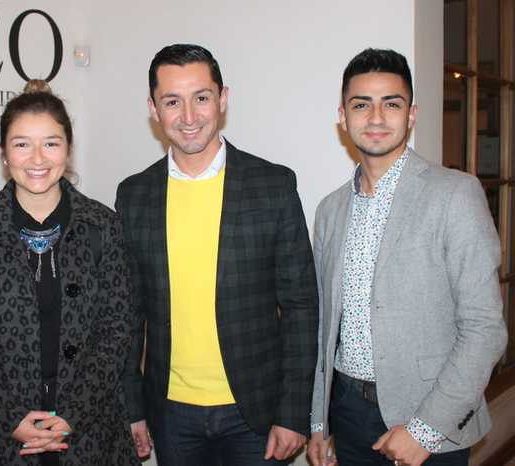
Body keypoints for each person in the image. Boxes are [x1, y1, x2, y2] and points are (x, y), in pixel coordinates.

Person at [116, 44, 318, 466]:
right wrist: (131, 407)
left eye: (201, 98)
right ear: (154, 108)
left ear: (222, 99)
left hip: (256, 415)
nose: (189, 117)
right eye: (173, 101)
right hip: (170, 413)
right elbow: (127, 314)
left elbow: (300, 306)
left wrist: (294, 412)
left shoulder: (273, 186)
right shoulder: (134, 195)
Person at [307, 48, 508, 466]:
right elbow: (325, 327)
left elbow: (485, 328)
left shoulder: (455, 194)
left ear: (411, 115)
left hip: (431, 414)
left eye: (391, 104)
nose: (376, 117)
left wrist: (425, 429)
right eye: (361, 104)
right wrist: (318, 423)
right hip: (346, 412)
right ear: (343, 117)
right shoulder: (330, 210)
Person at [0, 80, 139, 466]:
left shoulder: (103, 224)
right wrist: (8, 417)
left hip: (89, 431)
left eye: (50, 142)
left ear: (68, 149)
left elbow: (117, 329)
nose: (37, 158)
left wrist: (71, 415)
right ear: (3, 153)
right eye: (21, 144)